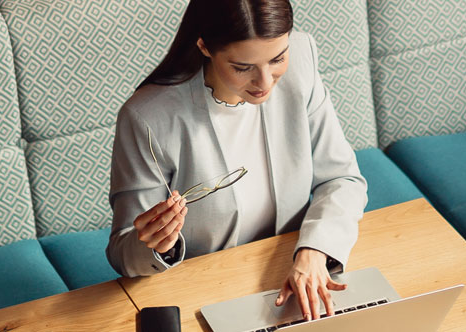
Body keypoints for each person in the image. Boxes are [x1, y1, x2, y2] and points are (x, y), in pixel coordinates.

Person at [105, 0, 367, 321]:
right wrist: (159, 246)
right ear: (204, 46)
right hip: (207, 294)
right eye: (243, 67)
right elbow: (123, 252)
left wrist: (314, 252)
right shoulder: (148, 117)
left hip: (294, 272)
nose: (266, 82)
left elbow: (342, 179)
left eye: (277, 59)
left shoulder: (301, 61)